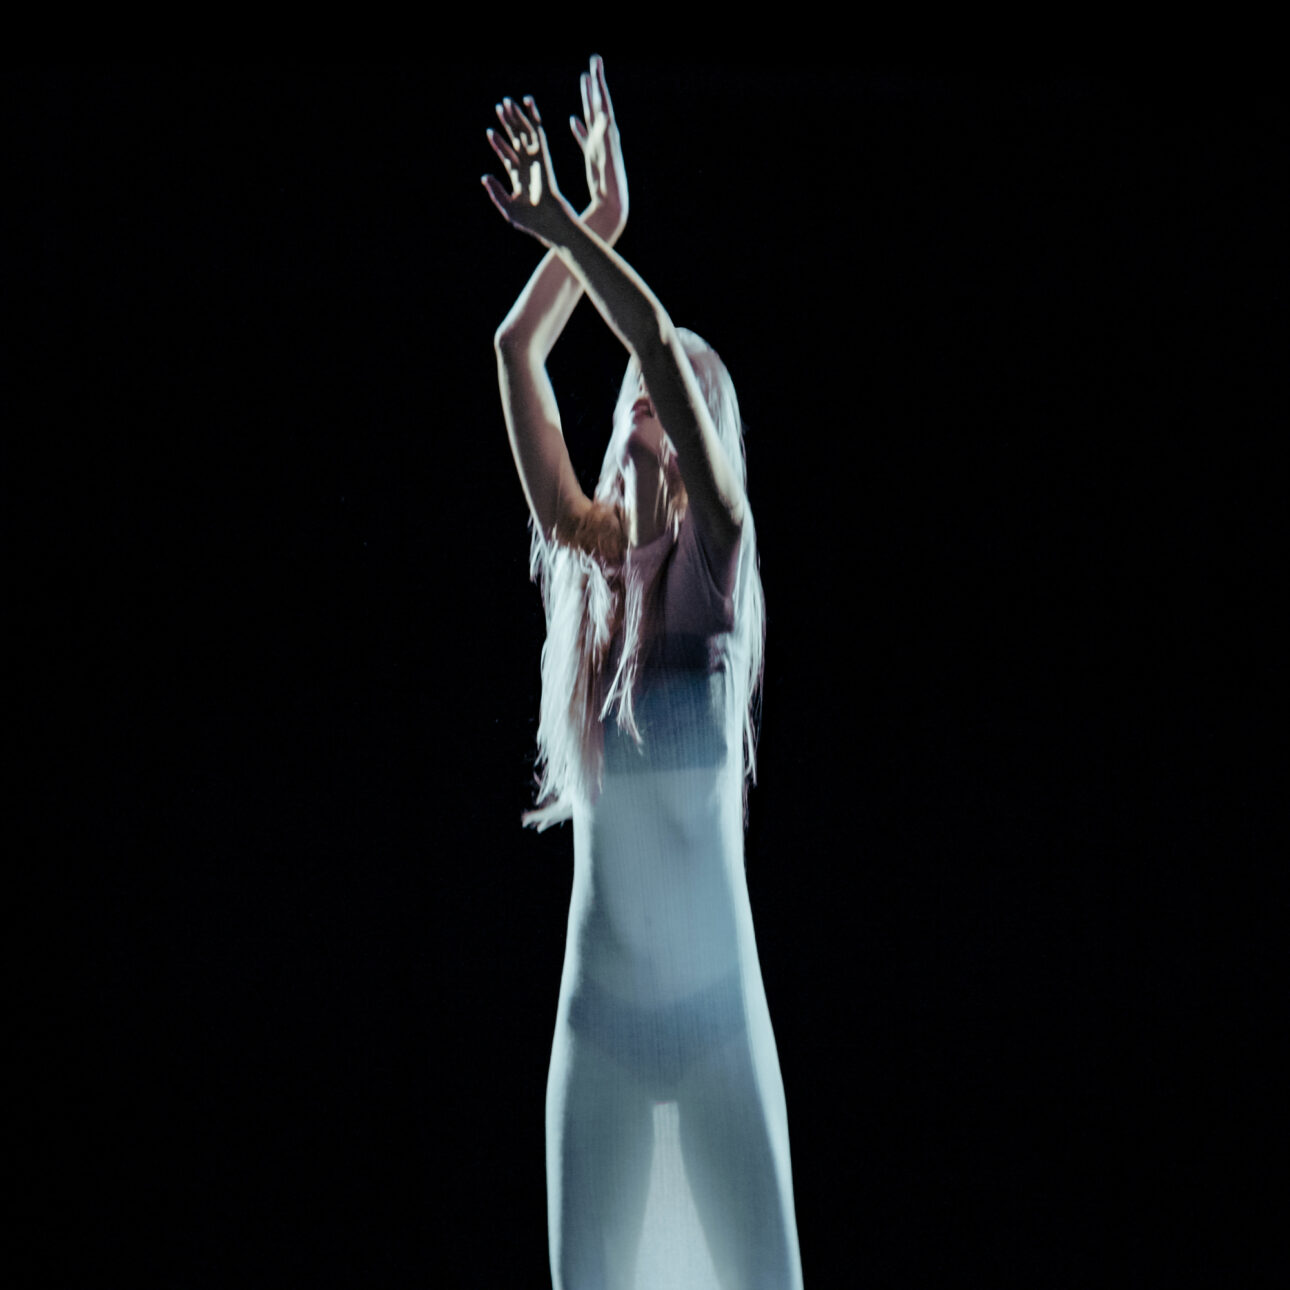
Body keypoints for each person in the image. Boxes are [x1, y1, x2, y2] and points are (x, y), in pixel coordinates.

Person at [483, 57, 804, 1290]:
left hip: (720, 1026)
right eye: (629, 394)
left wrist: (578, 228)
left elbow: (657, 340)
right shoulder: (589, 569)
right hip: (601, 1035)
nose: (639, 398)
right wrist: (592, 230)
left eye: (669, 400)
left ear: (701, 431)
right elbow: (516, 348)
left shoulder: (719, 562)